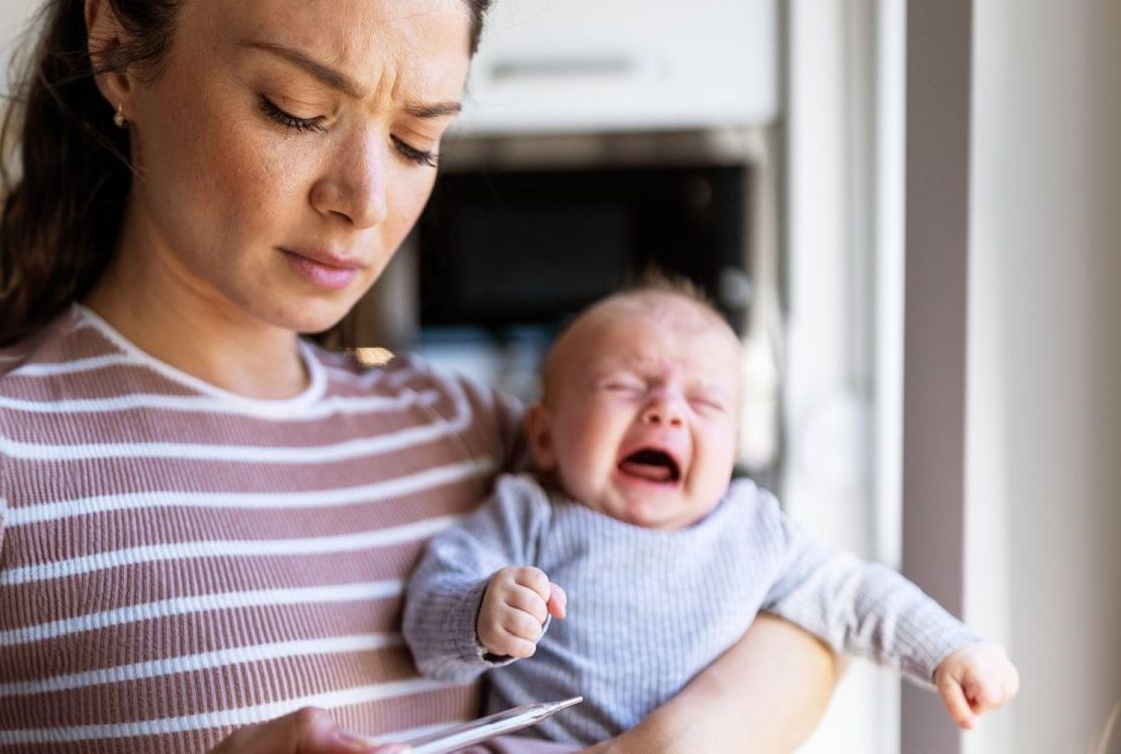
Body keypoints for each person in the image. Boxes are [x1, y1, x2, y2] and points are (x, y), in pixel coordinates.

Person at [0, 0, 838, 752]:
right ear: (117, 50)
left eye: (415, 140)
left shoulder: (471, 435)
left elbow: (803, 612)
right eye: (295, 111)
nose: (364, 201)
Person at [403, 282, 1022, 746]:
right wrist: (480, 613)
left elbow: (855, 594)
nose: (667, 412)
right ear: (543, 435)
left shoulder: (753, 530)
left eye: (704, 401)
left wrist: (949, 648)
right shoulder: (528, 512)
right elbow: (427, 615)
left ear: (735, 447)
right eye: (625, 387)